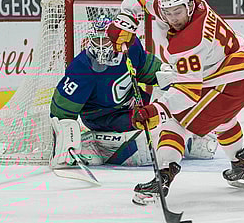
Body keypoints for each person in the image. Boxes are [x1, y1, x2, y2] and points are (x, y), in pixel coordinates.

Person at [107, 0, 244, 205]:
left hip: (234, 81)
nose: (173, 18)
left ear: (190, 5)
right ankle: (241, 167)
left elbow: (187, 94)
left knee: (177, 120)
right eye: (167, 12)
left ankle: (163, 177)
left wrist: (156, 110)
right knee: (220, 117)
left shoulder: (191, 41)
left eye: (177, 12)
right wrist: (125, 20)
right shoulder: (168, 2)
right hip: (243, 68)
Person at [49, 13, 217, 169]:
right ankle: (95, 146)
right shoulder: (82, 68)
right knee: (148, 142)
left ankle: (186, 136)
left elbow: (152, 71)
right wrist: (66, 141)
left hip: (134, 103)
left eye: (106, 40)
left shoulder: (132, 47)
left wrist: (173, 81)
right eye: (97, 41)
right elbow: (62, 111)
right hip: (104, 117)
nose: (101, 47)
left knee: (172, 95)